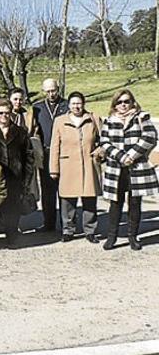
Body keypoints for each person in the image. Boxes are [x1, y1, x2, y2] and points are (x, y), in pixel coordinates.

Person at [98, 89, 158, 251]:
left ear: (132, 102)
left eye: (126, 101)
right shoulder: (109, 121)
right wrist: (121, 157)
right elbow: (104, 142)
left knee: (134, 203)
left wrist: (132, 155)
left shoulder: (142, 117)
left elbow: (150, 136)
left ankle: (133, 236)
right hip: (116, 168)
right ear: (115, 104)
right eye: (119, 102)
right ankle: (112, 237)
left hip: (136, 167)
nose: (123, 105)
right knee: (115, 204)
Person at [0, 99, 35, 247]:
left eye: (7, 113)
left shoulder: (21, 132)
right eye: (0, 113)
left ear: (11, 114)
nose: (4, 116)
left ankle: (12, 236)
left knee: (12, 210)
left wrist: (26, 181)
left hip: (14, 177)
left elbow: (28, 158)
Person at [48, 92, 102, 243]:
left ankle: (90, 230)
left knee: (90, 200)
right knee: (67, 201)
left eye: (79, 103)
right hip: (68, 165)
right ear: (69, 105)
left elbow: (103, 140)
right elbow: (54, 146)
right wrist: (54, 168)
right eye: (73, 103)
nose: (76, 106)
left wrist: (99, 152)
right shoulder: (60, 121)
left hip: (88, 164)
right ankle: (68, 230)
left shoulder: (93, 119)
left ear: (83, 104)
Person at [31, 78, 69, 232]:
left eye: (53, 90)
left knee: (65, 190)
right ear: (43, 91)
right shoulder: (37, 108)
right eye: (48, 91)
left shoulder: (67, 105)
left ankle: (66, 224)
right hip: (46, 152)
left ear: (58, 89)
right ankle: (49, 224)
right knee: (48, 191)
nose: (51, 94)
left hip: (64, 152)